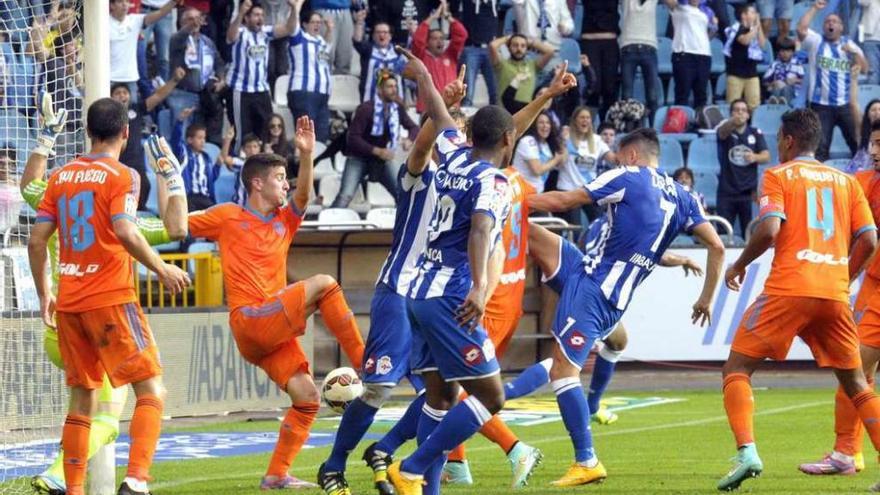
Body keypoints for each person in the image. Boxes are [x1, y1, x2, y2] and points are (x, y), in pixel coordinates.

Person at [385, 48, 577, 495]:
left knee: (441, 398)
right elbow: (481, 228)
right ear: (508, 142)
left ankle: (425, 487)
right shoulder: (492, 182)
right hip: (451, 296)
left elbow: (436, 106)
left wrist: (423, 76)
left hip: (417, 292)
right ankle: (410, 468)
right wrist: (477, 285)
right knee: (491, 396)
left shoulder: (453, 153)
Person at [156, 116, 366, 489]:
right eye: (279, 179)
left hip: (269, 335)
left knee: (307, 397)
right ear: (257, 183)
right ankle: (367, 367)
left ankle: (276, 474)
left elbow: (302, 196)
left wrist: (306, 156)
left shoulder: (285, 221)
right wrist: (169, 177)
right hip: (251, 318)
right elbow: (175, 227)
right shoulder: (228, 216)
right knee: (326, 285)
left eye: (286, 178)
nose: (285, 185)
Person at [512, 127, 725, 486]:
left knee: (563, 371)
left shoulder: (627, 175)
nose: (612, 158)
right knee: (532, 234)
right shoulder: (684, 196)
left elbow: (565, 202)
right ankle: (586, 405)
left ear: (631, 155)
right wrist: (705, 298)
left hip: (595, 288)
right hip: (600, 282)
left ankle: (587, 460)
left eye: (616, 154)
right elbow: (717, 247)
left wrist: (513, 198)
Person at [24, 95, 189, 495]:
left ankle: (74, 487)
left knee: (82, 401)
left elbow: (35, 239)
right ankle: (136, 481)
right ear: (126, 133)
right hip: (110, 301)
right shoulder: (123, 176)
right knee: (151, 389)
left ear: (86, 131)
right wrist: (163, 267)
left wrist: (44, 291)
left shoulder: (61, 178)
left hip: (68, 306)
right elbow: (129, 230)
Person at [316, 71, 469, 495]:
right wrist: (438, 110)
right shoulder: (418, 175)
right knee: (381, 386)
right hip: (400, 291)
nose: (461, 138)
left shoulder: (473, 185)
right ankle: (333, 466)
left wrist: (546, 96)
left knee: (445, 391)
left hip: (435, 298)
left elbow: (503, 143)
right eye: (454, 130)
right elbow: (420, 147)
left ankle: (387, 450)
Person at [714, 108, 880, 491]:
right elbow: (869, 240)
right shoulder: (847, 181)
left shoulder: (777, 175)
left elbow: (770, 230)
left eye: (777, 140)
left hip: (788, 289)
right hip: (834, 294)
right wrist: (844, 274)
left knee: (736, 369)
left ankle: (747, 452)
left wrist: (739, 264)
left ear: (788, 140)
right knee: (857, 383)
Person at [797, 119, 880, 478]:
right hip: (874, 289)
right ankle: (847, 452)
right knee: (856, 371)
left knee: (856, 372)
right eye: (873, 144)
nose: (875, 152)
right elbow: (827, 191)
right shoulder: (862, 182)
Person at [331, 69, 419, 208]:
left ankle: (405, 227)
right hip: (358, 159)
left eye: (395, 86)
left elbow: (414, 128)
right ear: (379, 89)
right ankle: (329, 225)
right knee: (345, 196)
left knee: (402, 194)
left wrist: (409, 139)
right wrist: (377, 151)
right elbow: (352, 139)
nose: (394, 90)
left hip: (382, 161)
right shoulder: (366, 109)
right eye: (389, 87)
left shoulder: (397, 109)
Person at [798, 0, 868, 161]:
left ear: (841, 27)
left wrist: (854, 54)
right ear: (824, 27)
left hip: (845, 104)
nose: (831, 23)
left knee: (858, 144)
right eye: (828, 21)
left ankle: (860, 180)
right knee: (820, 148)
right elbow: (801, 29)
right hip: (820, 105)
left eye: (834, 21)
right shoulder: (815, 41)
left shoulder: (849, 44)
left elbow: (865, 68)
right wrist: (815, 8)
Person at [226, 0, 299, 153]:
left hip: (261, 90)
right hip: (240, 91)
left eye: (262, 15)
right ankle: (242, 168)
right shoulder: (240, 33)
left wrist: (293, 9)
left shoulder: (265, 33)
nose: (260, 18)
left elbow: (289, 28)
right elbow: (231, 36)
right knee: (242, 134)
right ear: (246, 18)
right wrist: (240, 13)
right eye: (256, 15)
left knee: (267, 130)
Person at [110, 68, 187, 211]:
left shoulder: (136, 109)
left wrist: (174, 80)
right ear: (111, 97)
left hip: (136, 162)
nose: (122, 96)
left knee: (145, 186)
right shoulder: (108, 115)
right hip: (117, 161)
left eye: (125, 93)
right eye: (117, 93)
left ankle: (138, 217)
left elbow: (158, 96)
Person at [168, 6, 227, 142]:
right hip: (182, 96)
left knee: (198, 140)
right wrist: (189, 27)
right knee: (181, 137)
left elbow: (218, 63)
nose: (194, 22)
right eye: (190, 19)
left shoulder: (208, 42)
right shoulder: (177, 39)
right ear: (181, 22)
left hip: (204, 96)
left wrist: (221, 79)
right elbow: (181, 35)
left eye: (197, 19)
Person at [716, 99, 770, 238]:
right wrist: (732, 122)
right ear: (731, 113)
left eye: (743, 110)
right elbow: (722, 133)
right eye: (736, 110)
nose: (740, 113)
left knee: (750, 232)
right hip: (726, 191)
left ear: (748, 115)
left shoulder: (755, 132)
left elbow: (766, 156)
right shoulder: (726, 130)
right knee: (723, 233)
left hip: (748, 192)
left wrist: (754, 157)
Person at [109, 0, 180, 103]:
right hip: (109, 78)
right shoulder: (102, 23)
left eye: (127, 1)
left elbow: (160, 13)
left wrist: (173, 2)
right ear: (112, 5)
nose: (124, 4)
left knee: (130, 115)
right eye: (120, 2)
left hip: (130, 78)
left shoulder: (135, 20)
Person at [286, 0, 334, 143]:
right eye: (314, 22)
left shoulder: (320, 41)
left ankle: (316, 165)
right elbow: (292, 27)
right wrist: (296, 9)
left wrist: (330, 29)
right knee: (307, 136)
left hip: (322, 95)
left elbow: (328, 46)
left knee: (321, 137)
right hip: (303, 93)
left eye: (319, 23)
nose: (317, 25)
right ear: (305, 24)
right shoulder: (299, 39)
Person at [555, 106, 611, 226]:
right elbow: (559, 162)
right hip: (568, 189)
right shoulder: (566, 137)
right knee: (575, 228)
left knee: (599, 223)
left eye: (588, 118)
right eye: (582, 117)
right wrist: (563, 142)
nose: (585, 120)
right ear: (575, 120)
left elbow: (613, 158)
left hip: (588, 190)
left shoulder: (597, 140)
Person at [411, 1, 468, 113]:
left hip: (451, 108)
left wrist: (447, 16)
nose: (439, 41)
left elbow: (462, 35)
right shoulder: (421, 57)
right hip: (428, 110)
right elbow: (417, 40)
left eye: (442, 38)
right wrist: (433, 17)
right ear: (427, 42)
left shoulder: (451, 54)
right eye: (435, 38)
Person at [665, 0, 716, 108]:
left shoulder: (706, 11)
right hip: (684, 54)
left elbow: (708, 35)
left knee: (701, 95)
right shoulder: (679, 7)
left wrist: (714, 27)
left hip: (704, 54)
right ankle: (680, 123)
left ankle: (700, 123)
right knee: (682, 94)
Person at [489, 34, 556, 115]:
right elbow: (493, 46)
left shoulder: (533, 65)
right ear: (509, 47)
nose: (519, 49)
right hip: (504, 112)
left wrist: (531, 42)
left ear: (527, 48)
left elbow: (550, 52)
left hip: (525, 113)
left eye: (523, 46)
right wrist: (508, 38)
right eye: (515, 45)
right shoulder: (502, 64)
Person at [172, 108, 216, 211]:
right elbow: (175, 141)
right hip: (189, 197)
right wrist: (180, 121)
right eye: (199, 138)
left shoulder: (207, 158)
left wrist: (218, 165)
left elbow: (211, 178)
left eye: (204, 138)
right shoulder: (184, 153)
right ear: (190, 140)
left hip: (206, 198)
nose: (203, 141)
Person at [620, 0, 659, 118]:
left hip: (649, 48)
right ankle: (627, 127)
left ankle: (653, 127)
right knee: (627, 95)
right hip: (628, 47)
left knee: (652, 95)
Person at [580, 0, 620, 118]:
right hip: (589, 41)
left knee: (610, 88)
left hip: (610, 42)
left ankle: (609, 125)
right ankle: (589, 123)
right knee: (594, 87)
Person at [723, 4, 766, 110]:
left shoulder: (754, 29)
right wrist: (755, 28)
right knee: (733, 105)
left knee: (754, 105)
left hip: (752, 73)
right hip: (735, 73)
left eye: (755, 13)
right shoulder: (735, 29)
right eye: (752, 12)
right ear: (744, 15)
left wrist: (758, 26)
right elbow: (744, 40)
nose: (754, 15)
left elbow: (762, 44)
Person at [512, 110, 566, 193]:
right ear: (534, 125)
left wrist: (563, 140)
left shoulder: (546, 145)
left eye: (548, 123)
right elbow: (537, 170)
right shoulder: (528, 141)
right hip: (520, 192)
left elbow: (561, 162)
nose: (545, 126)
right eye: (541, 122)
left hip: (537, 192)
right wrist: (556, 160)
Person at [353, 18, 406, 102]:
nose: (381, 35)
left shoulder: (398, 51)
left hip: (395, 100)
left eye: (385, 32)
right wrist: (359, 22)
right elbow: (357, 42)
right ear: (373, 36)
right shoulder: (368, 50)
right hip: (370, 99)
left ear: (390, 36)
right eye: (378, 32)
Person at [219, 130, 263, 206]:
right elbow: (224, 158)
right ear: (243, 149)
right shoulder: (241, 163)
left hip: (257, 207)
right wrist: (228, 140)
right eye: (248, 147)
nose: (252, 150)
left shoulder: (264, 166)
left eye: (255, 146)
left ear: (259, 148)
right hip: (239, 206)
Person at [762, 37, 804, 106]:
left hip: (792, 91)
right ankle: (775, 105)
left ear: (793, 52)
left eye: (788, 51)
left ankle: (782, 106)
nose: (785, 54)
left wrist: (795, 80)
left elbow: (804, 81)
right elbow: (765, 82)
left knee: (786, 88)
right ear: (778, 52)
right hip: (776, 89)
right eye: (782, 51)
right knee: (777, 87)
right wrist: (773, 83)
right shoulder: (775, 64)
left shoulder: (798, 64)